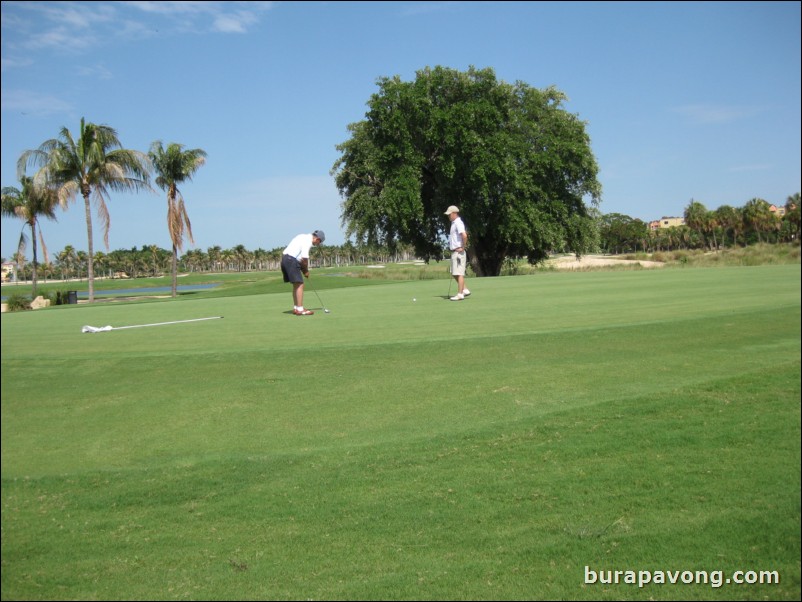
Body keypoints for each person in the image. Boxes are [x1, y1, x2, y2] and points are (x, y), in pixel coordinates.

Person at [281, 230, 325, 315]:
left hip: (285, 259)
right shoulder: (308, 241)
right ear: (317, 239)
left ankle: (296, 307)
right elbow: (304, 259)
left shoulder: (302, 236)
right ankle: (300, 309)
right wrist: (306, 271)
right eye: (319, 242)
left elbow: (300, 259)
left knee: (296, 285)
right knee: (300, 284)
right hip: (290, 260)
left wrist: (303, 269)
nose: (317, 244)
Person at [444, 205, 471, 301]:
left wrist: (463, 247)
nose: (448, 216)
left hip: (459, 252)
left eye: (449, 214)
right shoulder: (454, 223)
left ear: (454, 213)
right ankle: (465, 289)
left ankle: (460, 294)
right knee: (454, 272)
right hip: (454, 252)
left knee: (459, 273)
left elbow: (464, 235)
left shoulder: (458, 223)